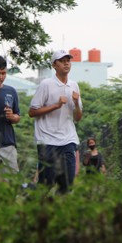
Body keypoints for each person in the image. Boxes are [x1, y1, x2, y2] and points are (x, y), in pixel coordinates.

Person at [29, 49, 83, 193]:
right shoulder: (46, 84)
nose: (66, 64)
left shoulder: (74, 85)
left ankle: (60, 212)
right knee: (46, 183)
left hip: (68, 139)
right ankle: (35, 210)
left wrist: (76, 103)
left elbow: (78, 118)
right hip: (47, 140)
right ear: (54, 65)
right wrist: (56, 106)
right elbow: (32, 112)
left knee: (67, 183)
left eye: (68, 61)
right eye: (62, 61)